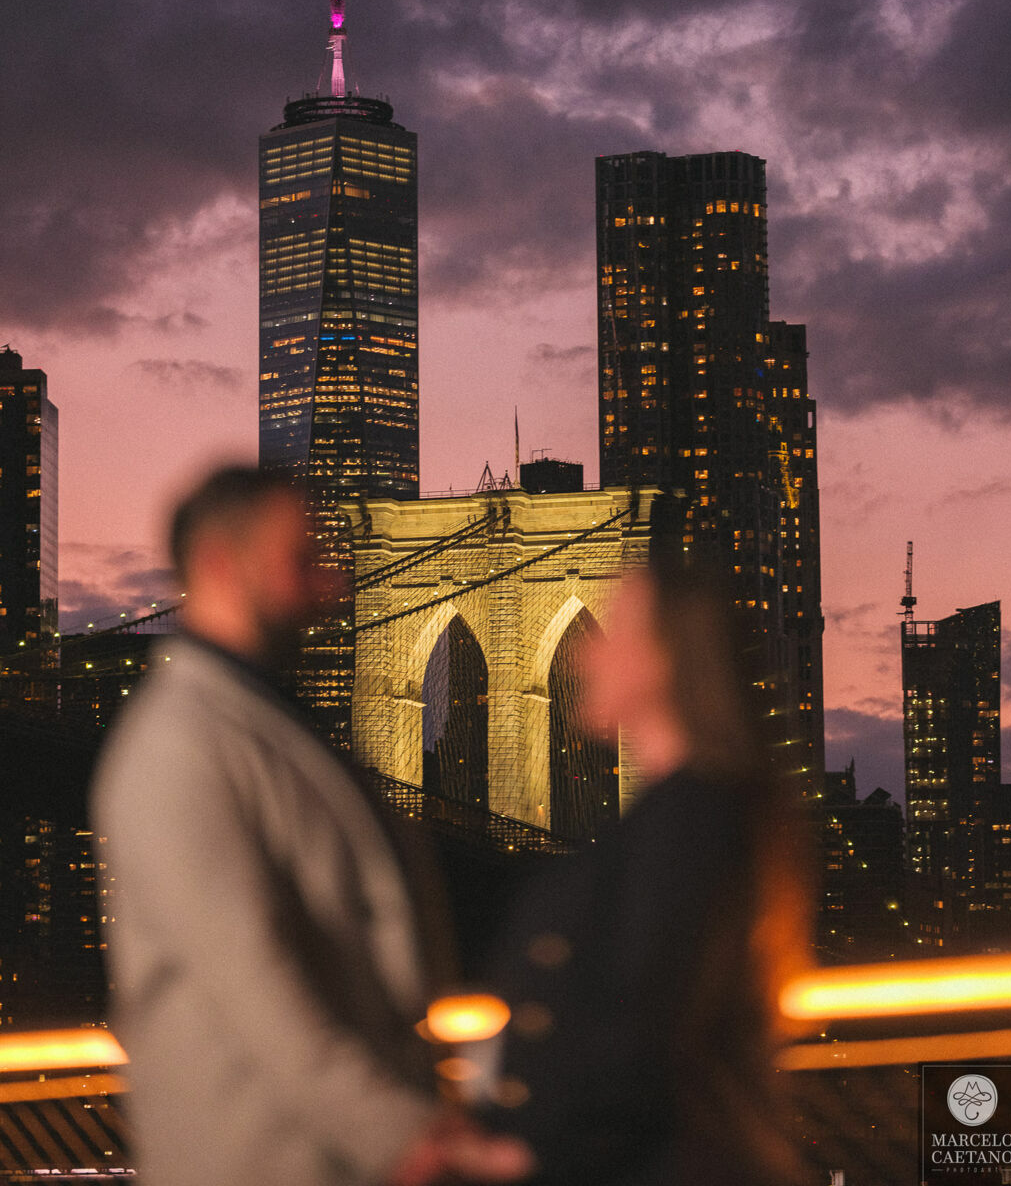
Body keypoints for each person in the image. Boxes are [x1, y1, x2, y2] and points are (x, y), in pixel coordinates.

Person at [91, 465, 530, 1186]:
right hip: (263, 1162)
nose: (331, 583)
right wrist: (407, 1135)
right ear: (219, 565)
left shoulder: (265, 724)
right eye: (302, 560)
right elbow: (256, 989)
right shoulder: (174, 746)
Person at [487, 558, 814, 1186]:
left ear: (666, 658)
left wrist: (520, 1153)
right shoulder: (686, 813)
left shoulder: (694, 818)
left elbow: (646, 1026)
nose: (584, 654)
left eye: (613, 633)